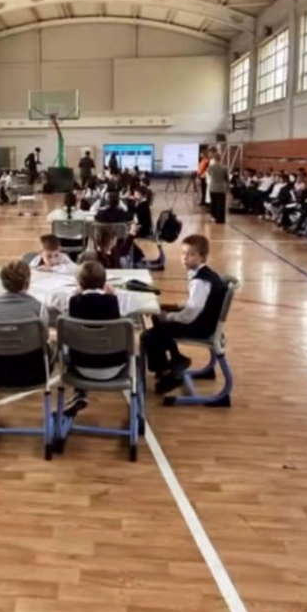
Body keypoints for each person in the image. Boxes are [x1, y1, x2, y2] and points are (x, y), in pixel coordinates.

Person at [143, 235, 228, 395]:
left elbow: (190, 314)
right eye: (183, 253)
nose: (185, 258)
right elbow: (196, 303)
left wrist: (168, 316)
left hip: (200, 327)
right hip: (204, 321)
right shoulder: (205, 274)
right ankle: (176, 359)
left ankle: (168, 373)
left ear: (203, 257)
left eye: (191, 254)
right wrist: (173, 307)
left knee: (149, 336)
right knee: (157, 319)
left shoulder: (199, 281)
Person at [0, 260, 54, 389]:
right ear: (27, 283)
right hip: (32, 373)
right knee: (52, 345)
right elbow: (45, 338)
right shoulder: (38, 307)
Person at [63, 261, 128, 418]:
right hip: (114, 365)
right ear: (104, 283)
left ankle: (80, 393)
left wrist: (76, 293)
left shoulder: (74, 302)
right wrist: (112, 294)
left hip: (81, 365)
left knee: (79, 341)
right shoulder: (113, 301)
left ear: (79, 284)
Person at [208, 150, 229, 224]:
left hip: (212, 187)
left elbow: (209, 174)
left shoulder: (211, 167)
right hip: (221, 188)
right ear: (220, 158)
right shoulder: (224, 167)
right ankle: (220, 219)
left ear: (214, 158)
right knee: (221, 204)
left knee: (213, 203)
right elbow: (226, 178)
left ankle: (214, 216)